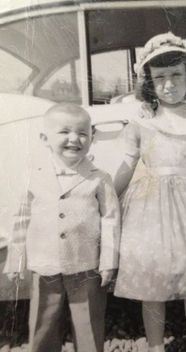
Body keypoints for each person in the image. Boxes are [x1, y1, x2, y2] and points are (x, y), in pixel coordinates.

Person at [113, 32, 186, 352]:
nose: (169, 84)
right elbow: (126, 166)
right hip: (150, 212)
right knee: (152, 283)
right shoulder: (142, 123)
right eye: (159, 78)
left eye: (176, 75)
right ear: (149, 82)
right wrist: (104, 198)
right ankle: (154, 347)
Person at [4, 103, 120, 352]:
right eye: (64, 132)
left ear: (92, 137)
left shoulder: (99, 178)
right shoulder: (33, 175)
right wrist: (15, 259)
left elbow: (111, 220)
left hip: (87, 264)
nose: (74, 139)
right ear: (45, 138)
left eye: (82, 133)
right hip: (44, 263)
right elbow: (20, 219)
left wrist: (109, 260)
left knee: (88, 322)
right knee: (42, 322)